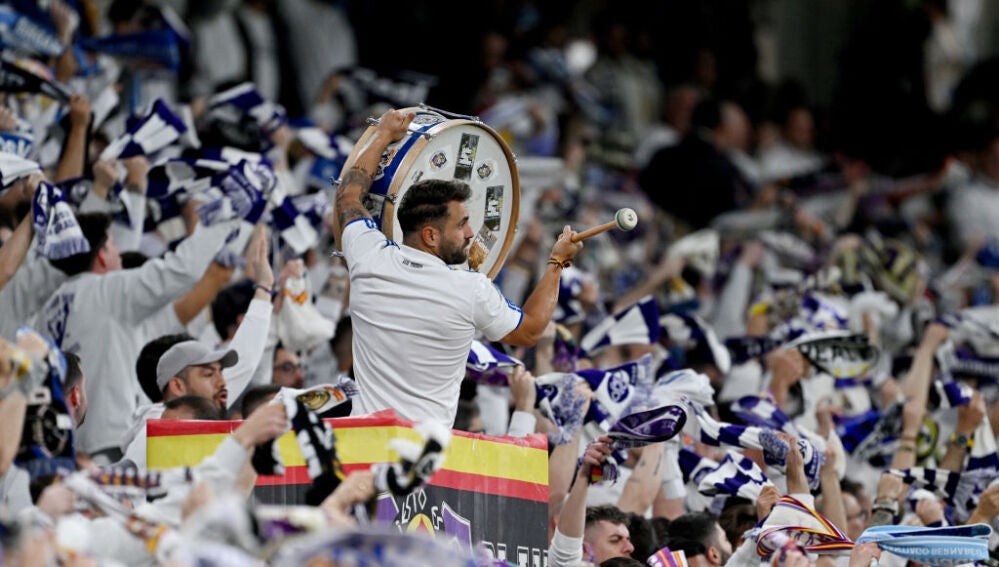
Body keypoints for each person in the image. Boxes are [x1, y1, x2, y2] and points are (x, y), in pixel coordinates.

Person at [334, 109, 583, 428]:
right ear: (430, 235)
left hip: (359, 442)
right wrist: (556, 263)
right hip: (421, 457)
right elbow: (532, 329)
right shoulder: (470, 289)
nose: (470, 233)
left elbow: (348, 196)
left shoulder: (367, 255)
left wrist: (382, 134)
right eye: (462, 224)